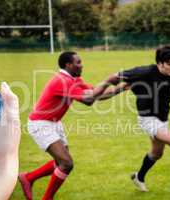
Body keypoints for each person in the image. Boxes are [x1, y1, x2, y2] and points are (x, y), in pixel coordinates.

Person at [98, 45, 170, 199]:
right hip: (147, 119)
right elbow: (115, 84)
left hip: (163, 119)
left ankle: (139, 177)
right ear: (160, 63)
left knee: (156, 153)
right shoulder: (145, 72)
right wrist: (93, 94)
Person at [18, 51, 120, 200]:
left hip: (53, 122)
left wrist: (122, 88)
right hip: (40, 123)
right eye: (78, 62)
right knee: (66, 163)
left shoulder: (74, 79)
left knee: (61, 162)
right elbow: (89, 100)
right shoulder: (62, 81)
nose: (81, 65)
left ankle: (28, 178)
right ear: (68, 65)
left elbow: (96, 94)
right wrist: (108, 80)